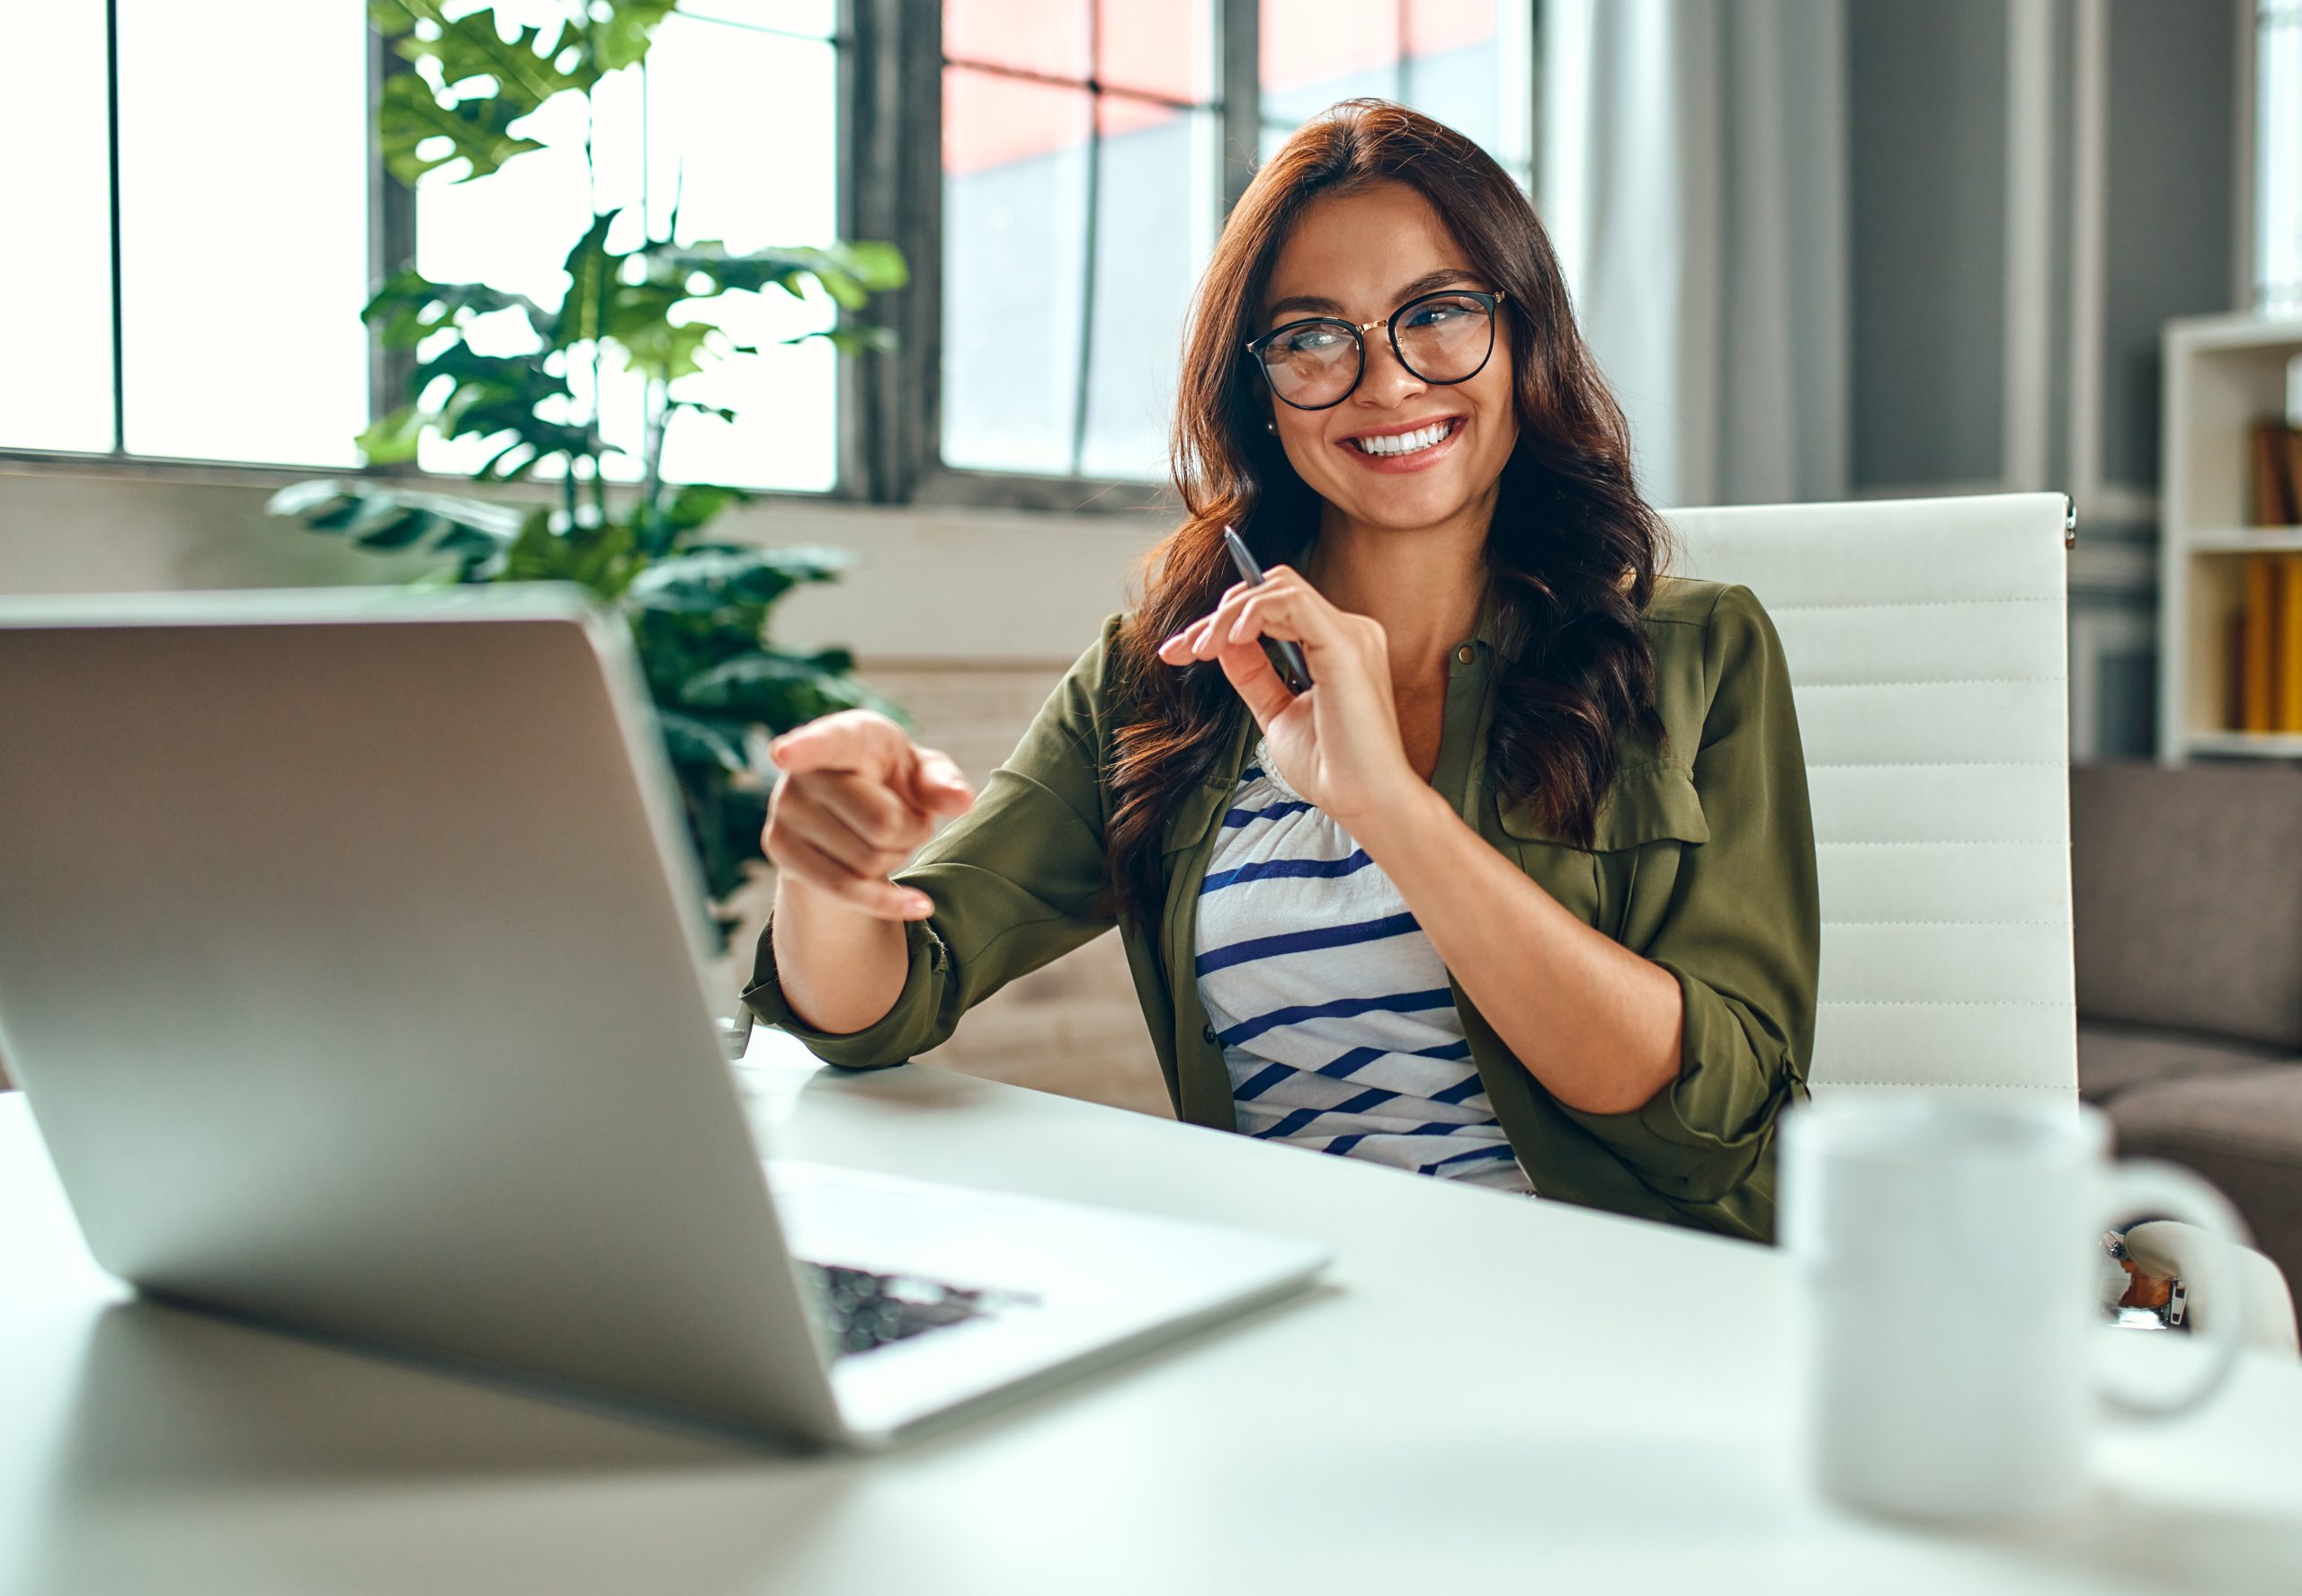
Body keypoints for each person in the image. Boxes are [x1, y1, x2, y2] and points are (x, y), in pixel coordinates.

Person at [742, 98, 1819, 1242]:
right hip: (1296, 1312)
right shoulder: (1159, 677)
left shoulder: (1692, 651)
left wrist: (1387, 805)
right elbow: (878, 1005)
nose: (1387, 381)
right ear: (1257, 387)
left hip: (1624, 1308)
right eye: (1313, 335)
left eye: (1438, 313)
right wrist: (830, 866)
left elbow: (1724, 1113)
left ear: (1524, 333)